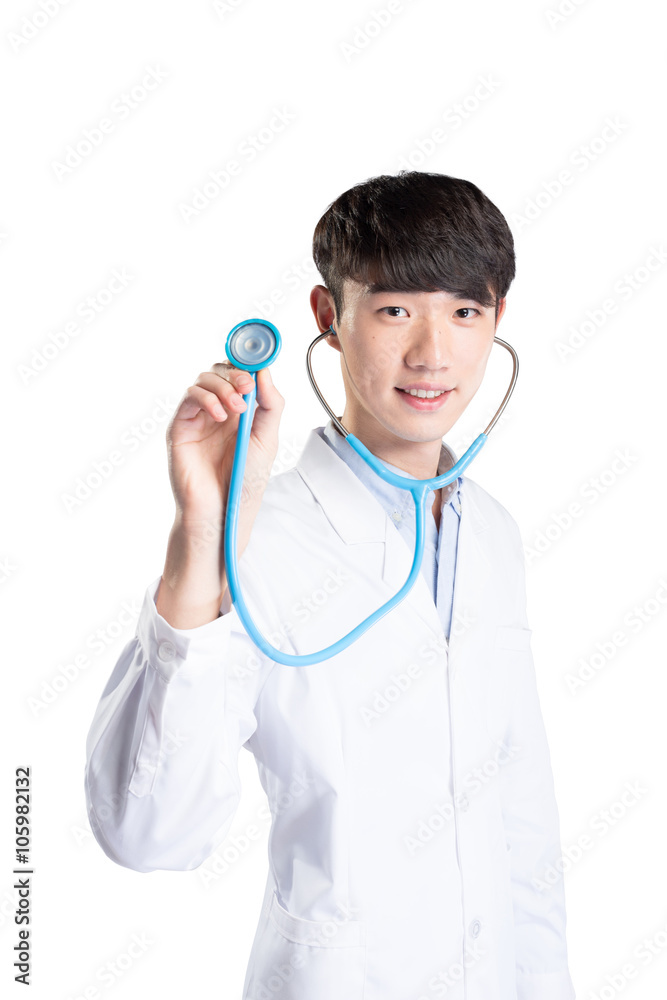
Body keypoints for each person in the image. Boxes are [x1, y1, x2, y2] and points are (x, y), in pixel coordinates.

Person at [84, 170, 576, 1000]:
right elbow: (147, 834)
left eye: (464, 311)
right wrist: (202, 534)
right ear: (328, 319)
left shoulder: (492, 533)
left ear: (498, 319)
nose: (431, 354)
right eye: (393, 311)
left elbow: (520, 826)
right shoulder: (260, 539)